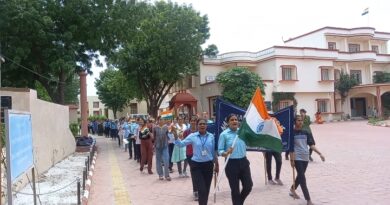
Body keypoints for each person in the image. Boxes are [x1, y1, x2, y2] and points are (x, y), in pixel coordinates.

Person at [174, 118, 219, 205]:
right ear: (197, 126)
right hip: (196, 166)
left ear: (207, 126)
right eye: (200, 124)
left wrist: (216, 164)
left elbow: (213, 151)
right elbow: (180, 144)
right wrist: (175, 135)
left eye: (204, 124)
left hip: (208, 165)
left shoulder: (211, 136)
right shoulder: (193, 136)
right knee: (202, 190)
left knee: (206, 189)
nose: (202, 125)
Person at [289, 115, 325, 205]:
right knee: (302, 178)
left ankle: (292, 189)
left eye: (301, 120)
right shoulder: (291, 133)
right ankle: (308, 200)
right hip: (297, 157)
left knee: (300, 176)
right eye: (298, 120)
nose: (300, 122)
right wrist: (291, 160)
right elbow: (291, 148)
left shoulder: (306, 132)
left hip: (305, 157)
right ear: (294, 122)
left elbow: (311, 145)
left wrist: (320, 153)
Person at [218, 114, 253, 205]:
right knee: (235, 190)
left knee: (248, 186)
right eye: (232, 120)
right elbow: (220, 150)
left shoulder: (242, 132)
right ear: (228, 123)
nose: (234, 121)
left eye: (236, 119)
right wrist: (225, 153)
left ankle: (239, 203)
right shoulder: (224, 135)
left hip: (244, 162)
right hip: (231, 164)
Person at [182, 116, 199, 200]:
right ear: (189, 122)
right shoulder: (186, 132)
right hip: (190, 154)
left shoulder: (200, 131)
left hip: (199, 155)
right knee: (194, 173)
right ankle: (195, 191)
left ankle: (200, 190)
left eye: (194, 120)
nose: (193, 122)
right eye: (191, 120)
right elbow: (183, 142)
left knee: (199, 173)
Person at [153, 116, 171, 181]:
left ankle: (167, 175)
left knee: (166, 160)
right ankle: (160, 175)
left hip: (165, 146)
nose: (161, 121)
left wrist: (168, 140)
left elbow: (168, 135)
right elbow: (154, 137)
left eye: (162, 120)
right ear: (158, 120)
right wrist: (153, 145)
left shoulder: (166, 127)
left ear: (164, 121)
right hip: (157, 146)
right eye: (160, 119)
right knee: (158, 161)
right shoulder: (155, 128)